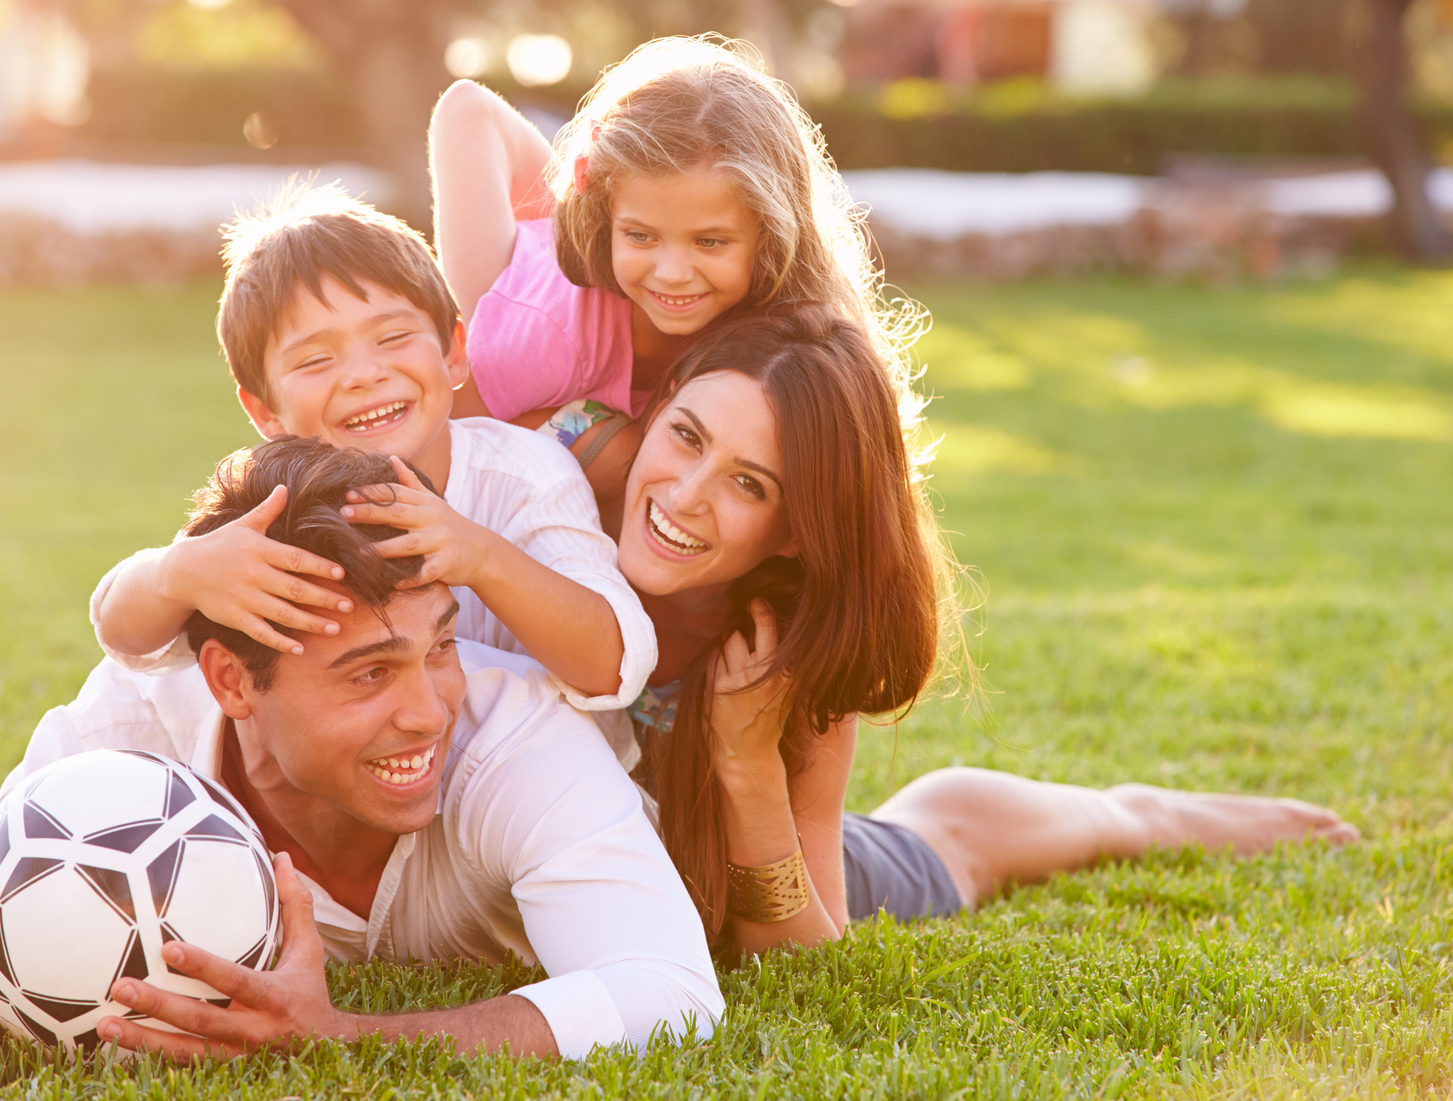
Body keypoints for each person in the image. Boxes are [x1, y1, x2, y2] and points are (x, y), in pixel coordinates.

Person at [353, 302, 1359, 955]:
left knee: (949, 842)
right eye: (687, 437)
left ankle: (1148, 810)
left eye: (748, 485)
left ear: (794, 532)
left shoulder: (781, 649)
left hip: (760, 873)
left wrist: (746, 769)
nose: (685, 496)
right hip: (515, 860)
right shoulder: (548, 464)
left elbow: (801, 960)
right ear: (654, 413)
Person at [0, 437, 722, 1059]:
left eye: (441, 646)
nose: (428, 710)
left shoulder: (514, 735)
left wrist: (347, 1036)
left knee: (862, 853)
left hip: (730, 846)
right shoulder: (124, 746)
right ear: (232, 682)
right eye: (367, 674)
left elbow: (673, 991)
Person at [90, 181, 654, 715]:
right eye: (315, 359)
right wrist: (178, 574)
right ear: (265, 411)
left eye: (393, 337)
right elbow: (130, 644)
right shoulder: (277, 504)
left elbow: (614, 666)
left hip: (527, 768)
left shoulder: (527, 475)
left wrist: (480, 556)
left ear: (455, 352)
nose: (364, 375)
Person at [428, 35, 923, 528]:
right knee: (618, 458)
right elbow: (446, 439)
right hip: (526, 318)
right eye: (640, 235)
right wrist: (577, 431)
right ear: (606, 220)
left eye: (709, 242)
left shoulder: (796, 337)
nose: (672, 273)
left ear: (771, 237)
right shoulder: (540, 338)